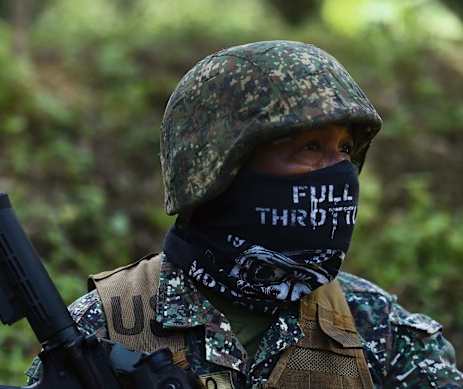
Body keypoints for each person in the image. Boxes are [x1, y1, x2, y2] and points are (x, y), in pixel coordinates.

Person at [26, 40, 462, 388]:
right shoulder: (103, 327)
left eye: (345, 149)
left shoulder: (379, 330)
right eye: (309, 147)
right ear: (218, 169)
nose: (339, 172)